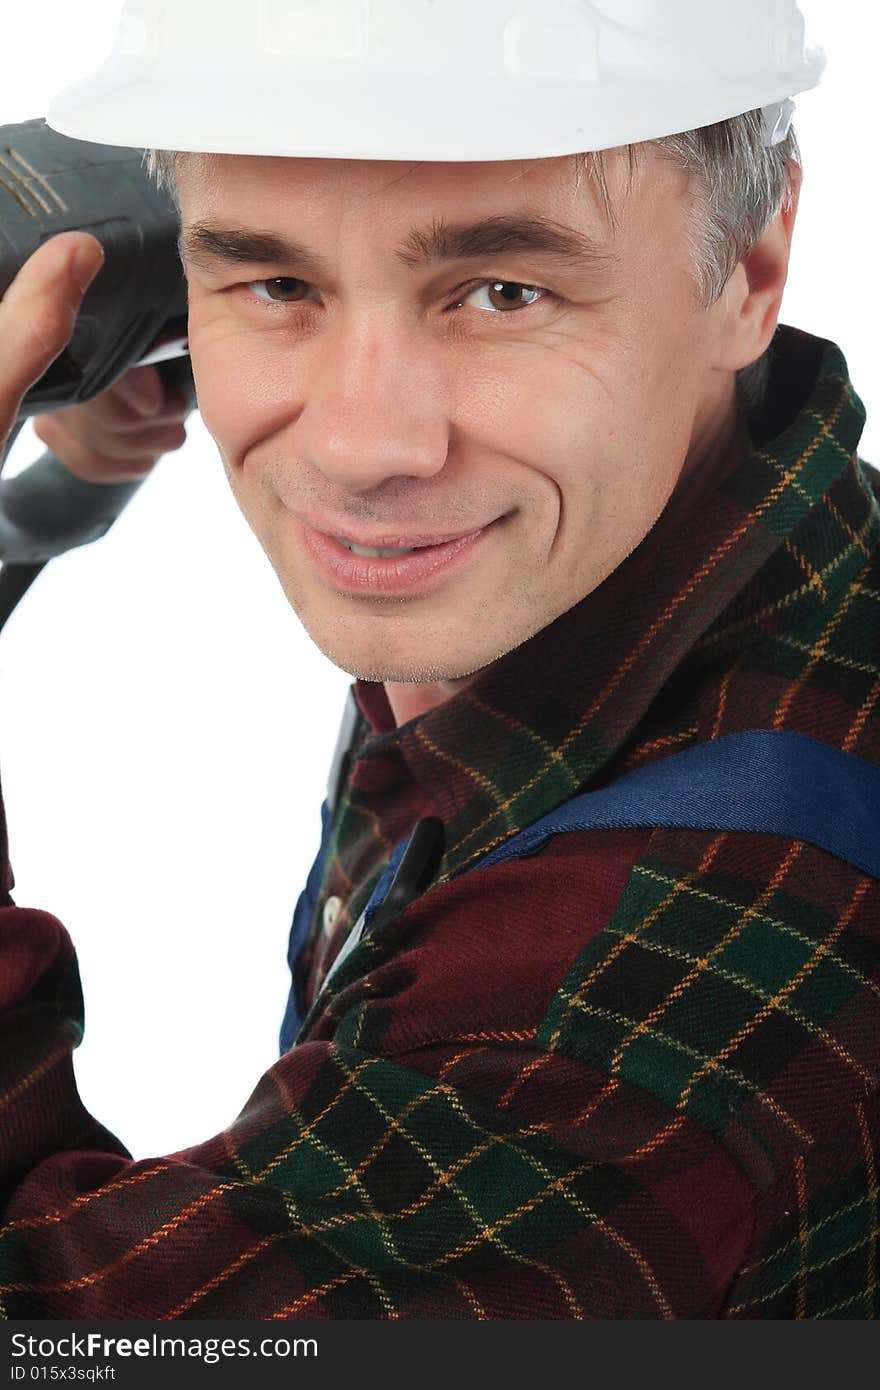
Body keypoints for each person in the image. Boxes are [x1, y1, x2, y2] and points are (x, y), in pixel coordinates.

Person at [0, 0, 877, 1319]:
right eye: (278, 282)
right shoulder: (726, 538)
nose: (362, 444)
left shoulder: (624, 1032)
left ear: (748, 267)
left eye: (503, 290)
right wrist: (59, 491)